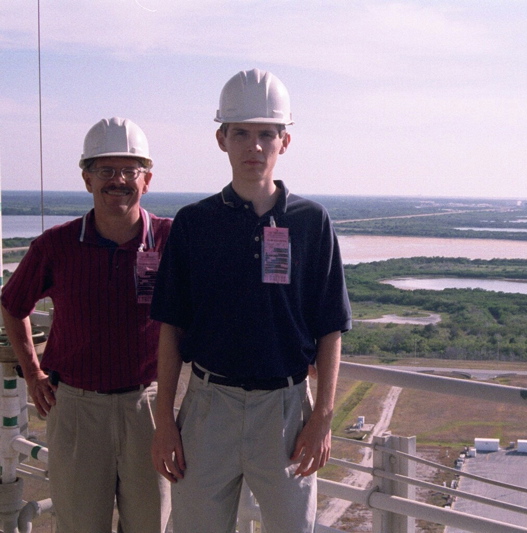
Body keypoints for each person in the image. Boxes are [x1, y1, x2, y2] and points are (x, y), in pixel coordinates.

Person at [150, 68, 351, 532]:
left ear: (285, 141)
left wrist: (321, 418)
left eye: (266, 134)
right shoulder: (194, 223)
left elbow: (330, 327)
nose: (254, 147)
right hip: (207, 408)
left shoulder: (310, 222)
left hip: (284, 411)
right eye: (241, 133)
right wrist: (164, 422)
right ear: (221, 139)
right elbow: (171, 329)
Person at [0, 117, 172, 532]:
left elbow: (215, 304)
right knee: (79, 526)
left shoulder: (170, 239)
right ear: (87, 179)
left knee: (151, 524)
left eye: (130, 170)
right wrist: (33, 371)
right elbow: (12, 303)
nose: (118, 180)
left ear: (146, 180)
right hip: (76, 407)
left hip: (147, 407)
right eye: (105, 170)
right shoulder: (57, 244)